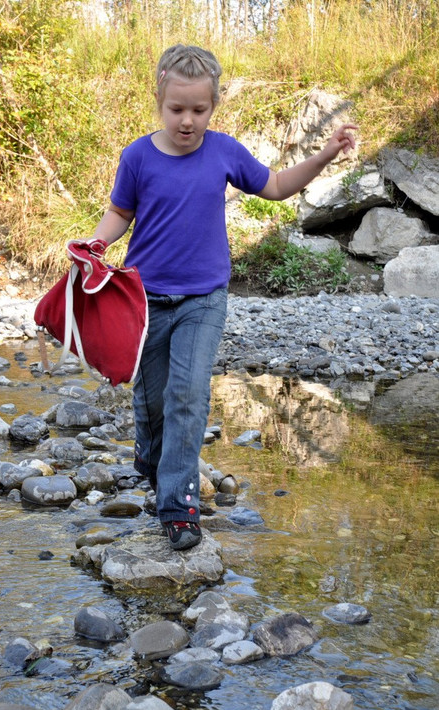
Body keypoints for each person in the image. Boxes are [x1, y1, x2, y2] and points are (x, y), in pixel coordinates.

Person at [86, 44, 356, 551]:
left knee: (188, 395)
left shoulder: (223, 151)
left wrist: (324, 154)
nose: (187, 120)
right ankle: (151, 454)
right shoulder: (137, 157)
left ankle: (179, 508)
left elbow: (276, 186)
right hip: (144, 299)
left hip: (204, 299)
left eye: (199, 109)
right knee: (153, 399)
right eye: (177, 109)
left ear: (214, 105)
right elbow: (120, 213)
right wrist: (96, 245)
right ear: (159, 100)